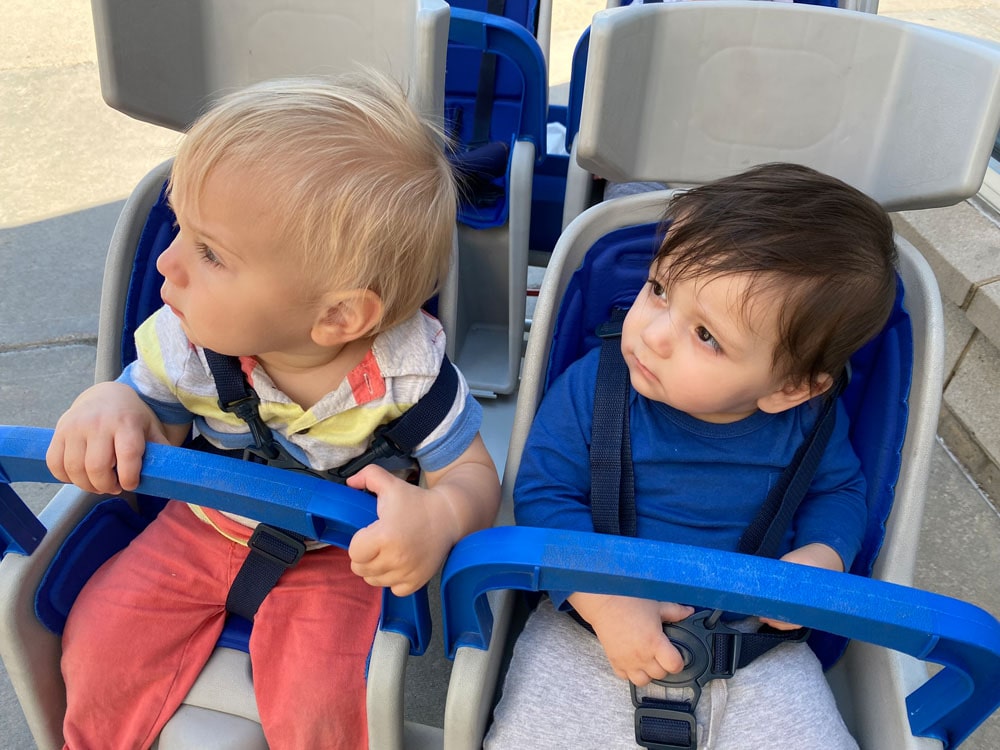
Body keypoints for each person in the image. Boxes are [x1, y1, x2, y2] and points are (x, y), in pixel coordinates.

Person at [46, 71, 501, 750]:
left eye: (209, 252)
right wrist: (109, 404)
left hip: (338, 558)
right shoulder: (191, 339)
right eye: (181, 231)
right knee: (96, 644)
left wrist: (439, 515)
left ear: (340, 315)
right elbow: (156, 416)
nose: (168, 264)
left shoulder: (410, 376)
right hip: (198, 528)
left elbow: (471, 473)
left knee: (326, 707)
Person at [485, 163, 897, 749]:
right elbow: (545, 493)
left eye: (706, 336)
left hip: (754, 646)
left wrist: (822, 556)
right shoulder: (593, 388)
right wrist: (603, 598)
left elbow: (838, 491)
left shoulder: (810, 423)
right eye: (658, 290)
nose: (653, 333)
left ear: (790, 388)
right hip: (592, 624)